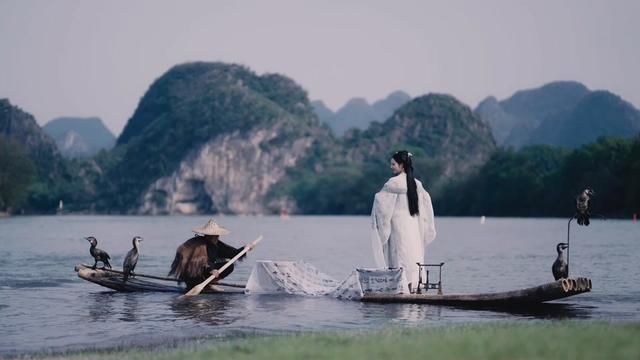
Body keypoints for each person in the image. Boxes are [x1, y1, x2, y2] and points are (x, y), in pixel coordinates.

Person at [370, 150, 436, 293]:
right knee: (412, 253)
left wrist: (376, 200)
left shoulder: (393, 183)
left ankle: (401, 288)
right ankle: (413, 286)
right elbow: (426, 203)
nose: (391, 167)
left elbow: (381, 202)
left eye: (393, 164)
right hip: (413, 225)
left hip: (398, 224)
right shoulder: (417, 184)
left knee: (399, 253)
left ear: (402, 165)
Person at [169, 218, 247, 290]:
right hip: (192, 274)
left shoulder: (216, 244)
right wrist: (211, 270)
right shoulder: (199, 245)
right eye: (213, 236)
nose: (216, 237)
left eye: (216, 236)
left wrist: (245, 249)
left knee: (229, 266)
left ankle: (209, 283)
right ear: (206, 235)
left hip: (205, 271)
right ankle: (202, 284)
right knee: (201, 272)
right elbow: (199, 263)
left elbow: (232, 253)